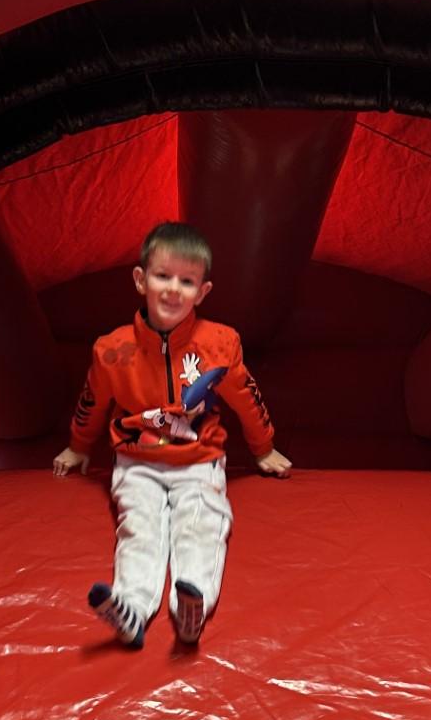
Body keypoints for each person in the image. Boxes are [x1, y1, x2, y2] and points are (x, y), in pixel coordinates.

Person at [52, 221, 292, 647]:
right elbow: (93, 401)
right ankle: (131, 609)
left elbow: (246, 397)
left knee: (201, 522)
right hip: (137, 460)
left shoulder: (219, 343)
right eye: (163, 276)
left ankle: (190, 608)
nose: (173, 290)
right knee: (139, 527)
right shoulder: (112, 350)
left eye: (187, 281)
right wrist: (78, 446)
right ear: (141, 280)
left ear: (202, 292)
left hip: (199, 459)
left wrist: (264, 447)